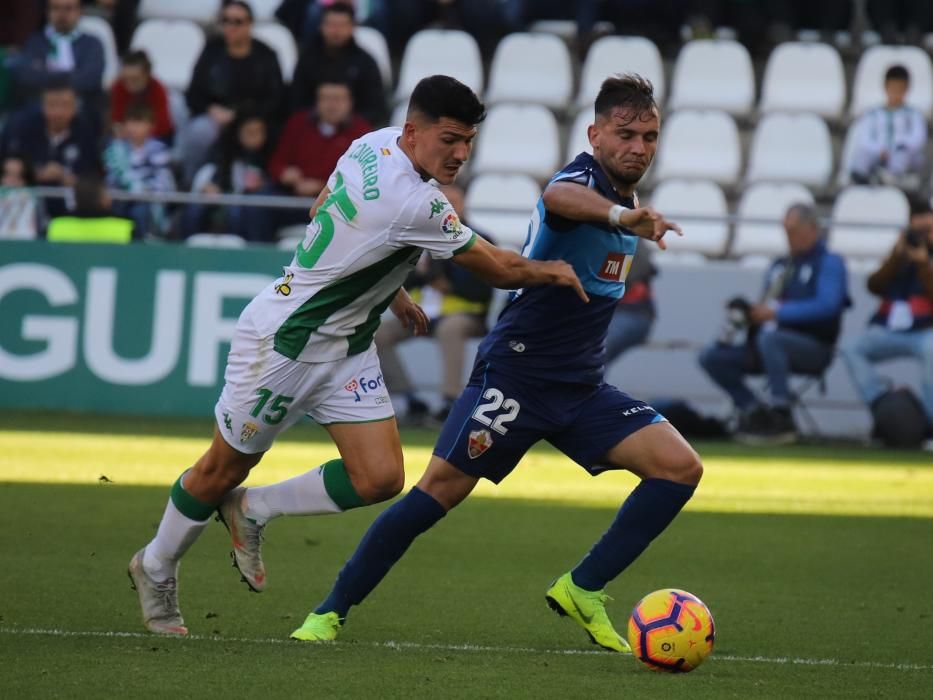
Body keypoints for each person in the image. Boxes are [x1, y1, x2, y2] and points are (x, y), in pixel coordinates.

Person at [127, 74, 586, 636]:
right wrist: (552, 271)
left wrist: (387, 289)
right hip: (286, 345)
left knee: (380, 477)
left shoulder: (373, 143)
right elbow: (498, 268)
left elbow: (328, 206)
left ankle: (253, 509)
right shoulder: (418, 202)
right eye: (449, 140)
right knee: (220, 469)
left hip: (346, 346)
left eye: (468, 141)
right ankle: (155, 565)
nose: (461, 154)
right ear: (415, 133)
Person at [286, 75, 697, 654]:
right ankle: (329, 612)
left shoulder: (624, 201)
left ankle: (582, 587)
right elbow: (557, 199)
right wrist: (621, 219)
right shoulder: (585, 185)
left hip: (579, 386)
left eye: (649, 136)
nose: (639, 146)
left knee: (680, 468)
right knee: (436, 495)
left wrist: (625, 215)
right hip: (517, 377)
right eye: (625, 133)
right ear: (595, 134)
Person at [698, 203, 849, 444]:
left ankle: (781, 413)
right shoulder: (780, 266)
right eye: (786, 231)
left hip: (813, 347)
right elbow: (766, 305)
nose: (789, 238)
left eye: (794, 231)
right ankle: (756, 412)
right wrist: (748, 312)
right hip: (765, 343)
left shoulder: (830, 263)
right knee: (711, 357)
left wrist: (778, 314)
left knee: (772, 340)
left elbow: (827, 306)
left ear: (812, 229)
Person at [376, 184, 495, 425]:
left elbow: (486, 289)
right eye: (445, 202)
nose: (450, 208)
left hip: (464, 314)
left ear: (464, 205)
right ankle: (407, 398)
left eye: (455, 202)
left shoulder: (480, 239)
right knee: (378, 333)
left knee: (451, 329)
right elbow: (400, 282)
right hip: (421, 312)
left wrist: (449, 284)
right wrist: (421, 274)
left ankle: (450, 401)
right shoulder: (419, 237)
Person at [840, 198, 933, 432]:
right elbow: (874, 285)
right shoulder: (901, 255)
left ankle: (931, 423)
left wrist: (924, 264)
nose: (921, 236)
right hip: (889, 328)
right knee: (851, 347)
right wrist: (896, 256)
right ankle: (882, 404)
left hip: (926, 331)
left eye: (927, 230)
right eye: (917, 230)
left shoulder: (925, 258)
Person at [180, 0, 284, 184]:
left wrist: (242, 115)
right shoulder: (212, 51)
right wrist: (211, 109)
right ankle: (191, 185)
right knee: (199, 131)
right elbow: (193, 94)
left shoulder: (266, 55)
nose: (231, 27)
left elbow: (276, 99)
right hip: (216, 118)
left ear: (249, 24)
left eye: (237, 22)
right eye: (226, 21)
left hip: (254, 119)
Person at [269, 77, 371, 226]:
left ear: (350, 103)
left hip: (335, 204)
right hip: (293, 197)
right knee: (260, 201)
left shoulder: (363, 132)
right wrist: (285, 173)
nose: (332, 105)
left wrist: (321, 185)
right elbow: (276, 163)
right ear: (317, 102)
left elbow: (363, 179)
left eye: (338, 99)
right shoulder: (298, 123)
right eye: (326, 98)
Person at [0, 79, 100, 217]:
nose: (58, 112)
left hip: (73, 211)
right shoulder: (22, 130)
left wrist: (68, 178)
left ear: (75, 107)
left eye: (65, 105)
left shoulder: (87, 133)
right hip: (23, 208)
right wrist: (37, 174)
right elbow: (7, 170)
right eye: (52, 105)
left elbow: (95, 177)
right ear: (42, 106)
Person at [181, 111, 276, 242]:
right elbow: (208, 174)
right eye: (249, 132)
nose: (254, 138)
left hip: (246, 200)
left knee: (239, 211)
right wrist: (209, 187)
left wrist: (262, 184)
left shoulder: (270, 154)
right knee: (194, 210)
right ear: (238, 132)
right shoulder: (223, 149)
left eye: (258, 132)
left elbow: (274, 181)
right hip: (221, 194)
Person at [289, 2, 387, 126]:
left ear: (352, 28)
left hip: (354, 131)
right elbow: (297, 101)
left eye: (342, 25)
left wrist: (347, 119)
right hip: (312, 129)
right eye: (331, 25)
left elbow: (376, 107)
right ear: (321, 26)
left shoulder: (366, 63)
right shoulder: (307, 60)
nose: (336, 31)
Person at [8, 0, 105, 110]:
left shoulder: (92, 44)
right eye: (56, 8)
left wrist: (47, 75)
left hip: (81, 107)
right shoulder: (34, 43)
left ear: (80, 12)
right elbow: (26, 77)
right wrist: (70, 76)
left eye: (68, 8)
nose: (62, 14)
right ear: (47, 12)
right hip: (39, 107)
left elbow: (90, 80)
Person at [849, 65, 927, 192]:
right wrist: (879, 150)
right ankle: (861, 178)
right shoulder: (873, 113)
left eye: (899, 89)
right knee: (862, 154)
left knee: (902, 155)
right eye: (893, 88)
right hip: (878, 153)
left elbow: (918, 138)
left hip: (901, 154)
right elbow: (864, 138)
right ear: (885, 87)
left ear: (906, 89)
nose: (895, 93)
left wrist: (898, 146)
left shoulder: (913, 114)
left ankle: (890, 178)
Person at [103, 103, 176, 237]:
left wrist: (146, 191)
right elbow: (112, 179)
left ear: (151, 126)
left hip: (148, 202)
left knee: (141, 212)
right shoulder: (116, 149)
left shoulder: (159, 150)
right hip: (121, 200)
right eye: (131, 122)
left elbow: (163, 181)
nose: (135, 127)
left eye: (140, 122)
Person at [605, 244, 656, 366]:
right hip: (596, 312)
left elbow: (613, 285)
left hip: (630, 312)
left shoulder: (626, 240)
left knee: (597, 347)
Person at [46, 174, 134, 243]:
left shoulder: (55, 226)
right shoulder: (126, 228)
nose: (110, 198)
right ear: (103, 200)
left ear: (75, 198)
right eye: (106, 193)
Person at [109, 50, 174, 143]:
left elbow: (163, 125)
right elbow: (117, 119)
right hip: (127, 136)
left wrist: (140, 132)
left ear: (147, 75)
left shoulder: (158, 89)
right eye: (125, 78)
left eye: (135, 79)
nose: (129, 83)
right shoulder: (118, 87)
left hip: (154, 137)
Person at [0, 154, 44, 239]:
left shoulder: (36, 200)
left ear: (27, 179)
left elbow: (41, 230)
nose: (12, 180)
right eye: (8, 174)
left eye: (19, 176)